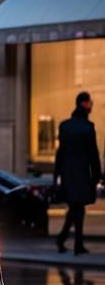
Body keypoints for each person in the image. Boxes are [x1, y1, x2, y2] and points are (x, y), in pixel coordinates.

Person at [55, 91, 102, 255]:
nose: (92, 105)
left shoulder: (65, 126)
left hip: (68, 174)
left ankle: (64, 239)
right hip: (82, 175)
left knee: (75, 207)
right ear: (83, 103)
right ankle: (76, 244)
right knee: (78, 208)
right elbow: (93, 154)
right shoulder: (88, 127)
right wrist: (97, 175)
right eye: (90, 103)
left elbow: (60, 153)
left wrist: (56, 176)